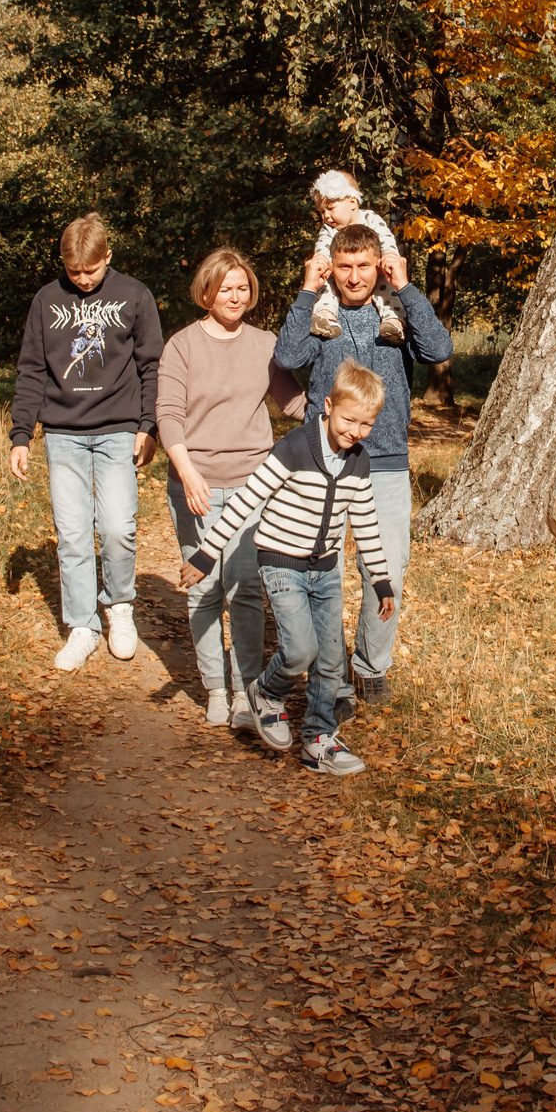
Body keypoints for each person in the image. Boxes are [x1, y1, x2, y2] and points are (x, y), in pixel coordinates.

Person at [177, 361, 398, 776]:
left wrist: (382, 581)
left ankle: (318, 739)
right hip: (281, 563)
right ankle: (265, 691)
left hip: (326, 570)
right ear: (329, 406)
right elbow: (247, 499)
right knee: (299, 651)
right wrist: (207, 554)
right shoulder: (294, 448)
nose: (356, 431)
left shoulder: (359, 462)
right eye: (349, 420)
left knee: (331, 660)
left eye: (366, 424)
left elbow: (365, 523)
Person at [276, 220, 451, 709]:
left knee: (386, 567)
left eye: (364, 267)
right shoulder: (321, 314)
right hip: (322, 461)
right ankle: (327, 669)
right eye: (345, 268)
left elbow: (439, 349)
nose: (355, 278)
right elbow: (287, 355)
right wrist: (308, 291)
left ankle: (371, 664)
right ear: (333, 268)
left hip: (387, 459)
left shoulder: (394, 314)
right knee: (318, 565)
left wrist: (407, 287)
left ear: (380, 265)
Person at [7, 213, 164, 672]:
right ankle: (81, 625)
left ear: (107, 257)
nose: (81, 279)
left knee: (117, 526)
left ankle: (119, 607)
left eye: (90, 271)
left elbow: (151, 365)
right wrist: (22, 435)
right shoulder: (46, 300)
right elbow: (32, 370)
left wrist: (147, 425)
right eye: (73, 271)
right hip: (63, 434)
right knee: (73, 533)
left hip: (119, 429)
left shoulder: (134, 295)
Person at [156, 247, 304, 727]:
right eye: (226, 288)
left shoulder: (266, 344)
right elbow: (168, 416)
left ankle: (246, 692)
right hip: (194, 482)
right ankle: (215, 690)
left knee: (243, 589)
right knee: (204, 591)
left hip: (252, 485)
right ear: (207, 292)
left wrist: (346, 413)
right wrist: (187, 471)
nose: (235, 296)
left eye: (243, 288)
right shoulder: (181, 345)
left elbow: (292, 402)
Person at [306, 170, 407, 343]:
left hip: (378, 270)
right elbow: (322, 246)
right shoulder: (328, 229)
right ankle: (325, 316)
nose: (326, 216)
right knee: (327, 286)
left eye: (330, 208)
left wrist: (390, 256)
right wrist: (321, 261)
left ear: (352, 202)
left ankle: (394, 321)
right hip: (339, 275)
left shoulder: (371, 218)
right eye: (322, 212)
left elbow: (386, 238)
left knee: (387, 289)